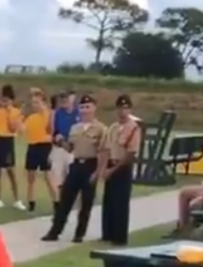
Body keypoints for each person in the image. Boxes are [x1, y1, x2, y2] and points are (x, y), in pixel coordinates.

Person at [41, 94, 109, 243]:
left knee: (86, 202)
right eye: (82, 107)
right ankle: (55, 231)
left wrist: (98, 172)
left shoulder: (101, 129)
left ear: (94, 108)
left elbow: (103, 152)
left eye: (88, 107)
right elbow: (70, 148)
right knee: (65, 199)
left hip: (91, 165)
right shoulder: (75, 128)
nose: (85, 110)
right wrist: (60, 140)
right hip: (77, 164)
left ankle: (79, 233)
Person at [99, 94, 143, 245]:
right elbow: (107, 148)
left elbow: (130, 154)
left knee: (120, 203)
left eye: (125, 108)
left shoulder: (134, 128)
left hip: (123, 166)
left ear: (129, 109)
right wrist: (104, 168)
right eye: (120, 108)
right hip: (111, 163)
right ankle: (108, 233)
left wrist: (113, 170)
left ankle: (119, 237)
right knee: (109, 201)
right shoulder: (113, 127)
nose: (122, 111)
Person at [0, 84, 22, 209]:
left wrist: (8, 111)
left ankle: (17, 200)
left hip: (7, 140)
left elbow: (13, 128)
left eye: (7, 99)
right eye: (3, 98)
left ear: (11, 100)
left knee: (10, 170)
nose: (4, 101)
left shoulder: (16, 111)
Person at [20, 88, 55, 212]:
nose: (35, 105)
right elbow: (23, 130)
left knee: (48, 176)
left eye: (37, 103)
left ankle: (56, 202)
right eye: (33, 103)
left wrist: (39, 93)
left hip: (45, 147)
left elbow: (52, 129)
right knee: (31, 176)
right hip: (33, 146)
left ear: (43, 103)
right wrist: (21, 119)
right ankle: (31, 202)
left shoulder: (49, 114)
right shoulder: (31, 118)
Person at [49, 90, 78, 198]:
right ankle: (61, 202)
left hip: (74, 148)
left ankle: (71, 199)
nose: (64, 101)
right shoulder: (57, 113)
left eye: (66, 98)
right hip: (60, 147)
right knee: (58, 179)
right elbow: (53, 132)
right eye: (62, 99)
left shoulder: (77, 112)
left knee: (71, 177)